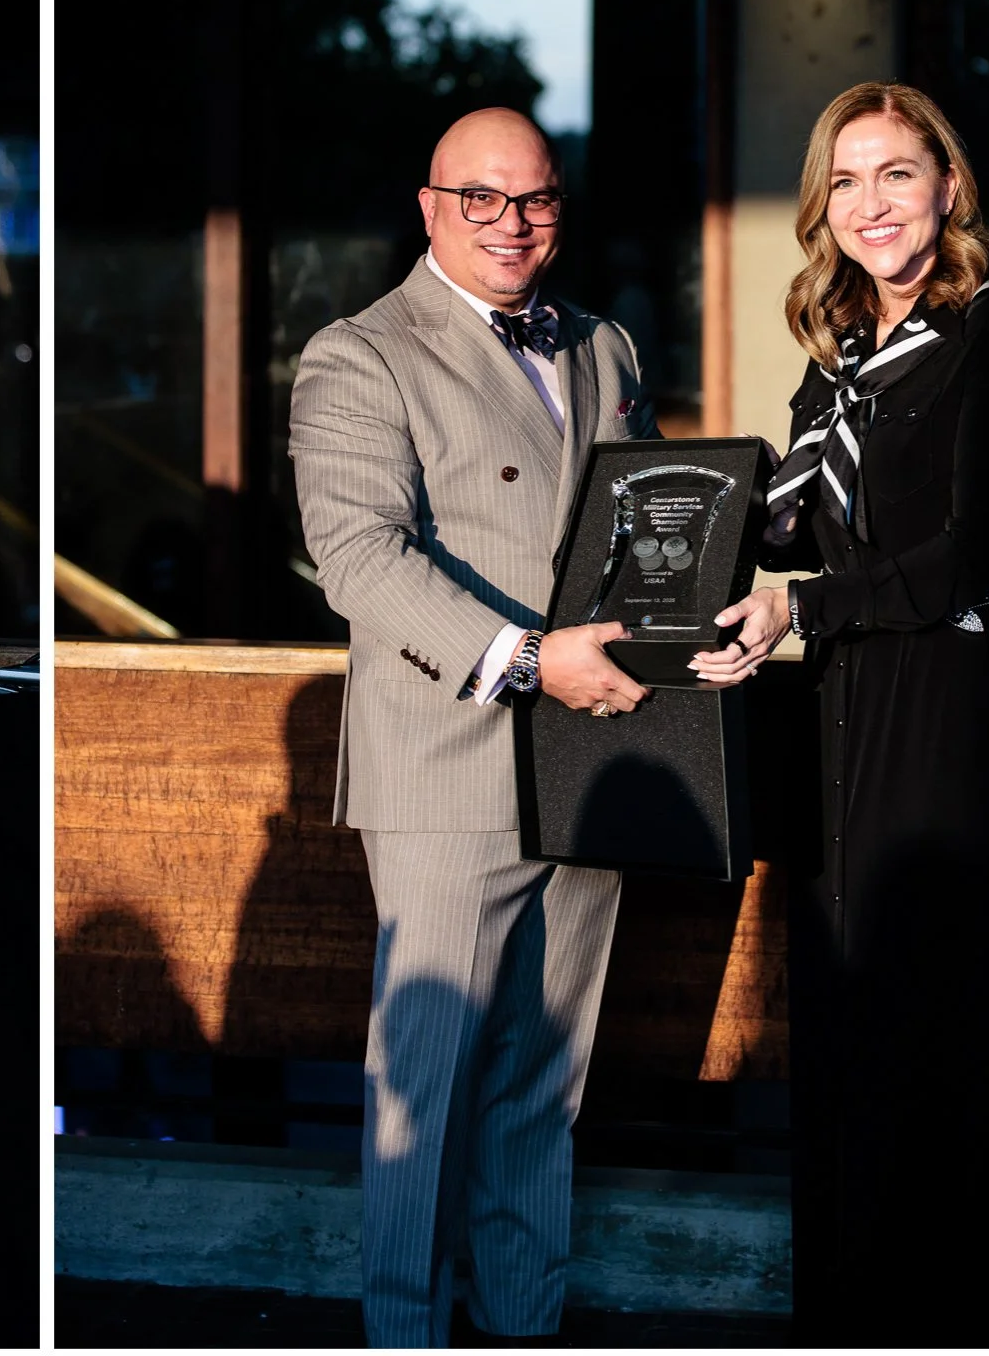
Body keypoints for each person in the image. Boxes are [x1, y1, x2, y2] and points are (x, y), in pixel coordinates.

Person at [291, 105, 733, 1347]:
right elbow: (358, 560)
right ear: (430, 208)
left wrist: (711, 618)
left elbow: (637, 534)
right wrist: (536, 659)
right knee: (422, 1096)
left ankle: (525, 1329)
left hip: (594, 758)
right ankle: (407, 1335)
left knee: (544, 1089)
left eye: (535, 199)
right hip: (449, 763)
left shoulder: (603, 343)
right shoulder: (357, 354)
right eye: (482, 199)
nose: (513, 223)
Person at [702, 81, 989, 1342]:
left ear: (947, 189)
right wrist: (666, 532)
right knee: (846, 1024)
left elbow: (967, 558)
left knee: (935, 1024)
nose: (870, 206)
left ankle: (954, 1317)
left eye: (895, 175)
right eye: (845, 183)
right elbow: (787, 525)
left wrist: (796, 611)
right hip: (842, 706)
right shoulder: (841, 353)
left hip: (945, 707)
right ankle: (845, 1316)